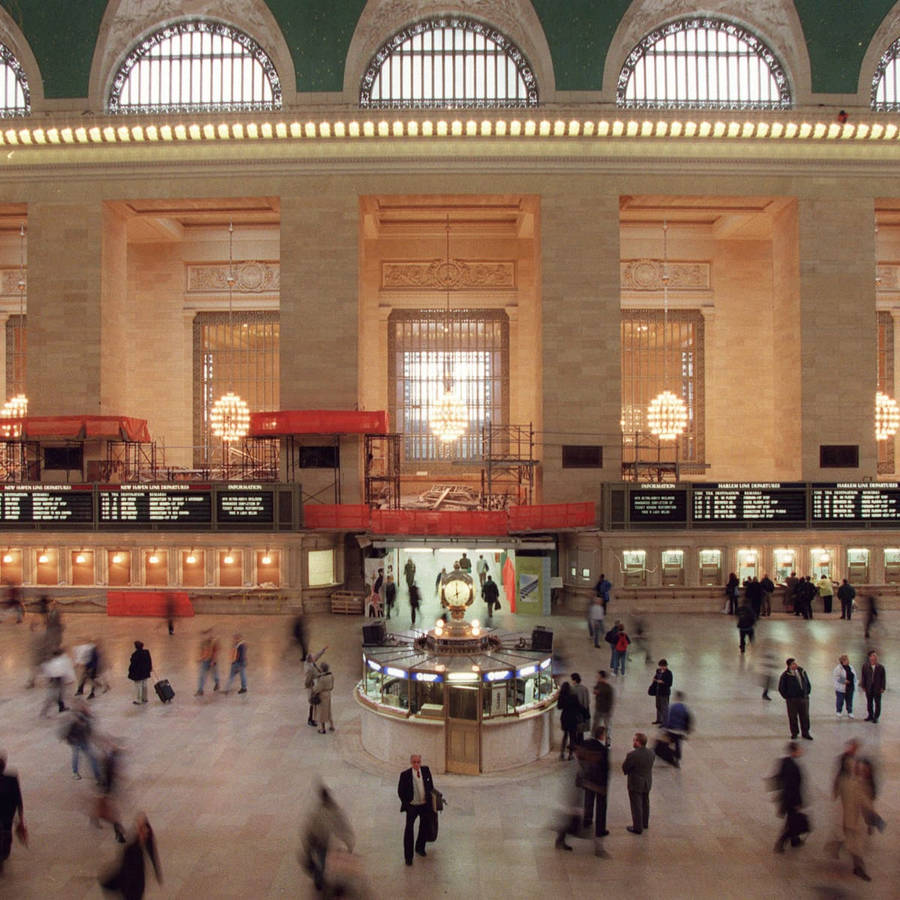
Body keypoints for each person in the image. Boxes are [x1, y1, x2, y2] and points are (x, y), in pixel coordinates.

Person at [300, 785, 355, 892]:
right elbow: (342, 825)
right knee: (323, 862)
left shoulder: (319, 811)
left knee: (322, 862)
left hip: (316, 840)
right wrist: (348, 840)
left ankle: (319, 881)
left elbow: (310, 827)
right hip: (320, 841)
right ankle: (319, 880)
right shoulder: (332, 811)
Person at [99, 812, 162, 899]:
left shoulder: (146, 838)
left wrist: (157, 871)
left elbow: (152, 851)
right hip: (132, 888)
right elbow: (126, 870)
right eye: (143, 828)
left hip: (137, 885)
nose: (146, 831)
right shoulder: (131, 849)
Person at [575, 725, 610, 855]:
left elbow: (579, 755)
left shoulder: (586, 743)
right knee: (601, 808)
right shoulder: (603, 750)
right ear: (602, 736)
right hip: (599, 783)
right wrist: (605, 785)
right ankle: (600, 829)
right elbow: (605, 769)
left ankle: (587, 820)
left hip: (588, 780)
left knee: (588, 801)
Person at [397, 754, 434, 866]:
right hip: (412, 806)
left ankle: (420, 848)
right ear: (411, 763)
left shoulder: (426, 771)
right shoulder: (405, 775)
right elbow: (400, 791)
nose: (417, 764)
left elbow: (430, 786)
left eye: (418, 762)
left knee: (424, 826)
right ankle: (408, 857)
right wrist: (407, 804)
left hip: (424, 805)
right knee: (409, 829)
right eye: (414, 762)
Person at [772, 742, 808, 852]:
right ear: (794, 751)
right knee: (792, 823)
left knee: (792, 820)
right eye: (799, 749)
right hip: (791, 800)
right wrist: (798, 802)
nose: (801, 751)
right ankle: (780, 842)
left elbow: (779, 778)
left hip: (786, 798)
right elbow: (794, 786)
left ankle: (794, 840)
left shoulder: (785, 762)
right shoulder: (793, 767)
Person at [622, 732, 654, 835]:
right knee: (645, 802)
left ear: (638, 742)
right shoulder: (651, 753)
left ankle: (637, 827)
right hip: (647, 782)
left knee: (636, 805)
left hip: (635, 783)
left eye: (634, 740)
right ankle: (645, 823)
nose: (633, 742)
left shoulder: (632, 755)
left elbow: (625, 768)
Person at [0, 752, 26, 876]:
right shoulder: (11, 779)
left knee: (5, 833)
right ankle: (3, 855)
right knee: (6, 833)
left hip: (6, 815)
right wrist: (20, 817)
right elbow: (18, 799)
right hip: (7, 814)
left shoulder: (11, 779)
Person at [65, 701, 102, 782]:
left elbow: (89, 728)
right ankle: (77, 772)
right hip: (78, 741)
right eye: (85, 707)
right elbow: (71, 730)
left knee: (84, 756)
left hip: (82, 740)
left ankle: (96, 776)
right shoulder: (77, 718)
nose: (88, 708)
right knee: (81, 756)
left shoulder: (85, 716)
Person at [777, 658, 812, 740]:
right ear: (789, 666)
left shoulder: (802, 672)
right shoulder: (785, 675)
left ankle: (805, 732)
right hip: (792, 700)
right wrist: (788, 697)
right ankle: (794, 733)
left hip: (803, 698)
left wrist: (807, 692)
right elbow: (781, 688)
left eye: (795, 663)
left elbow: (807, 682)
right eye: (793, 664)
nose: (795, 665)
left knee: (805, 716)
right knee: (793, 717)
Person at [557, 681, 585, 760]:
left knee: (565, 735)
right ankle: (570, 754)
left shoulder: (561, 697)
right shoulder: (574, 696)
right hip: (573, 718)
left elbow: (559, 707)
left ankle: (562, 753)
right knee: (572, 737)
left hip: (565, 718)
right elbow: (579, 707)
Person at [663, 691, 693, 767]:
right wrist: (687, 731)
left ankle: (670, 757)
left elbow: (668, 718)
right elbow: (688, 719)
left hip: (671, 729)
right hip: (680, 731)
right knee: (678, 745)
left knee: (668, 744)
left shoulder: (672, 707)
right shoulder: (684, 708)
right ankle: (677, 759)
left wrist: (665, 728)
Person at [860, 650, 886, 723]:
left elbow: (883, 678)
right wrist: (863, 686)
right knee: (869, 702)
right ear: (870, 657)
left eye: (875, 655)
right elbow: (863, 676)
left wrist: (883, 687)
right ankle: (870, 715)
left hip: (877, 688)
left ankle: (876, 717)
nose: (875, 657)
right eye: (873, 655)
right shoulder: (865, 666)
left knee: (877, 703)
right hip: (869, 688)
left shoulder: (881, 667)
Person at [305, 647, 327, 727]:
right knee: (312, 702)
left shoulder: (311, 663)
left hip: (314, 685)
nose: (315, 658)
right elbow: (308, 679)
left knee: (314, 703)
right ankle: (310, 719)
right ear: (310, 660)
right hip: (311, 687)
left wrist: (322, 651)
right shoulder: (309, 668)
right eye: (313, 658)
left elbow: (317, 656)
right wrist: (320, 675)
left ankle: (313, 718)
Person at [195, 631, 220, 696]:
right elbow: (202, 651)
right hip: (205, 661)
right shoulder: (203, 643)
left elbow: (215, 653)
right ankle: (200, 690)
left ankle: (217, 683)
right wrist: (200, 658)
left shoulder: (214, 642)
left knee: (214, 675)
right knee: (202, 676)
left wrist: (213, 661)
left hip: (212, 661)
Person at [127, 641, 152, 705]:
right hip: (145, 672)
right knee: (144, 685)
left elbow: (133, 665)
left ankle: (139, 700)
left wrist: (130, 671)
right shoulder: (146, 652)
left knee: (138, 687)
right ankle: (145, 698)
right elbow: (149, 661)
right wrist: (149, 668)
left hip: (138, 674)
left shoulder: (135, 655)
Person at [832, 653, 856, 718]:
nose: (848, 661)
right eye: (846, 660)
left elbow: (854, 675)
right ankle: (838, 711)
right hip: (841, 688)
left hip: (850, 687)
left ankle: (850, 712)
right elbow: (836, 677)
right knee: (840, 700)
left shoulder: (851, 667)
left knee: (849, 700)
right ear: (843, 661)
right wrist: (844, 681)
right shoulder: (838, 668)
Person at [314, 662, 335, 733]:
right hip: (328, 694)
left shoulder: (322, 679)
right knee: (328, 710)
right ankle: (332, 725)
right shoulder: (331, 676)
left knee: (322, 712)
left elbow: (318, 688)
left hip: (322, 695)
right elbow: (332, 686)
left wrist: (314, 691)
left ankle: (323, 729)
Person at [592, 670, 614, 738]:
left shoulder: (608, 688)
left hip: (605, 710)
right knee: (595, 724)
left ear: (602, 677)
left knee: (607, 726)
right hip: (598, 708)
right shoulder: (598, 684)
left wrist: (609, 710)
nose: (597, 677)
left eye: (598, 676)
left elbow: (611, 701)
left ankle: (608, 741)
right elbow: (595, 691)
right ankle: (593, 737)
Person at [570, 673, 591, 744]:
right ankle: (581, 743)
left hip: (575, 713)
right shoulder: (585, 689)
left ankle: (574, 744)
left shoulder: (572, 689)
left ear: (574, 680)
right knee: (581, 731)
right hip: (583, 713)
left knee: (574, 730)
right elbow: (587, 702)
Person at [651, 659, 673, 725]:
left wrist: (662, 682)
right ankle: (659, 720)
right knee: (658, 706)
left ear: (666, 666)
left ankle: (665, 722)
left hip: (665, 693)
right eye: (660, 666)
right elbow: (656, 677)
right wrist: (654, 679)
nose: (661, 668)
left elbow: (670, 684)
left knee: (664, 708)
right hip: (658, 691)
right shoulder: (658, 671)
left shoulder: (669, 673)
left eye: (663, 666)